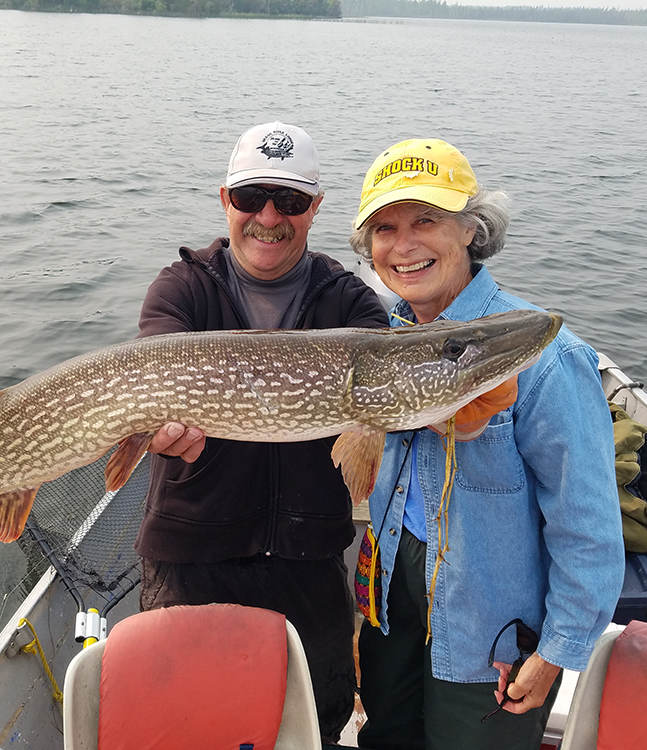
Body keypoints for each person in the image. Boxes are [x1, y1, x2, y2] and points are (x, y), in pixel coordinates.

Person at [348, 138, 626, 750]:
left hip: (490, 626)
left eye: (427, 220)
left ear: (472, 229)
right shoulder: (382, 340)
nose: (404, 244)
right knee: (388, 736)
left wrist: (556, 651)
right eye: (385, 227)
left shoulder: (549, 357)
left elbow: (587, 523)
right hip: (393, 593)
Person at [134, 121, 392, 743]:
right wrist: (152, 427)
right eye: (252, 198)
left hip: (308, 567)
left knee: (311, 726)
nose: (269, 217)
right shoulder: (182, 290)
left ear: (315, 209)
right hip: (189, 562)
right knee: (189, 726)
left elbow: (370, 450)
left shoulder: (352, 307)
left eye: (291, 201)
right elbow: (149, 377)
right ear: (226, 199)